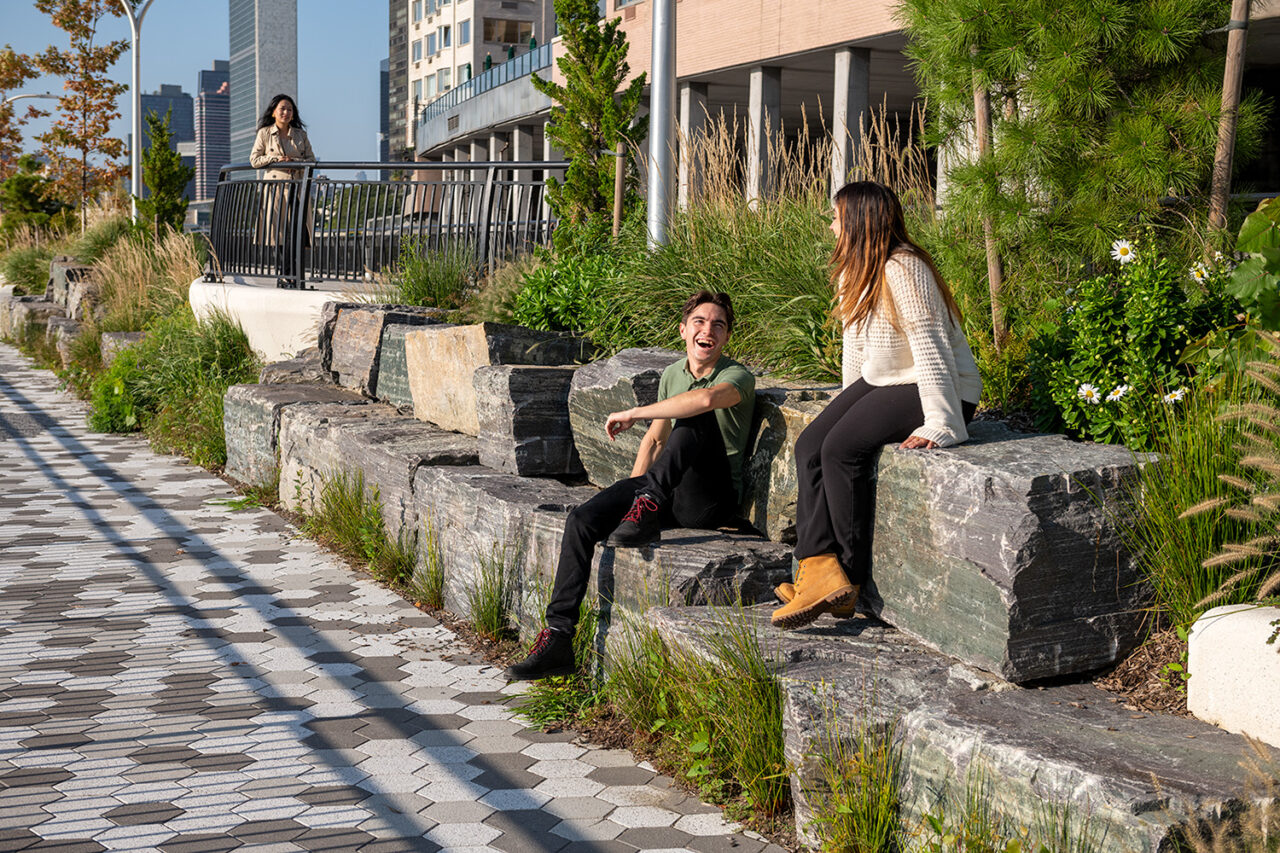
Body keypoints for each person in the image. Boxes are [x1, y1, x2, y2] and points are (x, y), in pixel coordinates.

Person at [507, 290, 756, 680]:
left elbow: (705, 400)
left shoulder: (737, 375)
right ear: (683, 331)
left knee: (695, 411)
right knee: (583, 519)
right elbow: (656, 441)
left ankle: (649, 504)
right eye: (700, 322)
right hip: (667, 491)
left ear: (725, 338)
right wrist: (630, 494)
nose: (708, 330)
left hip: (711, 500)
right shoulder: (673, 374)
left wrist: (635, 412)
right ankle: (558, 636)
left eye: (718, 326)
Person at [770, 181, 982, 630]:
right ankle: (816, 568)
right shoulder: (858, 269)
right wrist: (844, 407)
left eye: (836, 217)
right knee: (811, 443)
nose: (830, 226)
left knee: (840, 450)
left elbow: (931, 344)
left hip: (942, 389)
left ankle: (847, 578)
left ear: (860, 222)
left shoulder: (904, 268)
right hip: (887, 381)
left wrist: (942, 421)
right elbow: (857, 351)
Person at [249, 94, 315, 287]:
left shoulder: (301, 135)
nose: (286, 112)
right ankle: (286, 274)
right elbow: (254, 160)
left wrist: (294, 162)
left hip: (297, 188)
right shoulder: (265, 133)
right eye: (282, 109)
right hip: (275, 189)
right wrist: (276, 160)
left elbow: (311, 160)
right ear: (274, 112)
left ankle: (289, 275)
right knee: (278, 233)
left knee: (296, 232)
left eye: (290, 109)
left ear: (293, 114)